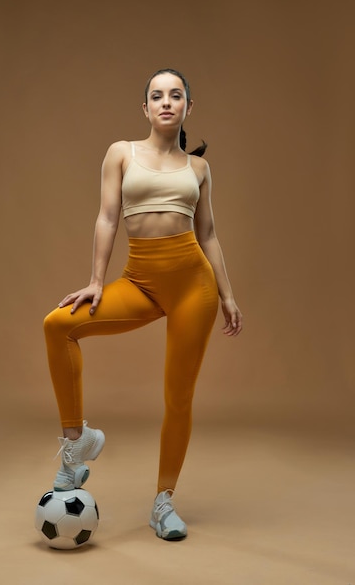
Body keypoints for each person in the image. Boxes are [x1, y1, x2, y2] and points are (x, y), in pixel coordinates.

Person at [43, 68, 242, 541]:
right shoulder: (121, 153)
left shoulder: (198, 169)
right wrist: (96, 280)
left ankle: (163, 501)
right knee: (58, 325)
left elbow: (208, 234)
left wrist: (229, 295)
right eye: (157, 96)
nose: (166, 102)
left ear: (188, 108)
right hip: (140, 282)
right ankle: (79, 443)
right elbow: (107, 217)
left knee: (178, 397)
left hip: (195, 288)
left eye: (176, 95)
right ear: (146, 108)